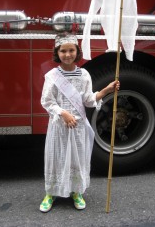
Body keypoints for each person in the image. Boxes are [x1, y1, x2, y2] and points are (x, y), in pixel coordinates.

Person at [40, 33, 120, 212]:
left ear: (77, 52)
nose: (67, 54)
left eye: (71, 50)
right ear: (57, 52)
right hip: (59, 126)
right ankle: (50, 193)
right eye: (63, 51)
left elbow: (89, 100)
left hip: (78, 127)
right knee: (56, 159)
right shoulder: (52, 76)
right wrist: (63, 113)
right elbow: (47, 101)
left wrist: (106, 90)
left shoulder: (84, 74)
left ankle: (76, 191)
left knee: (78, 159)